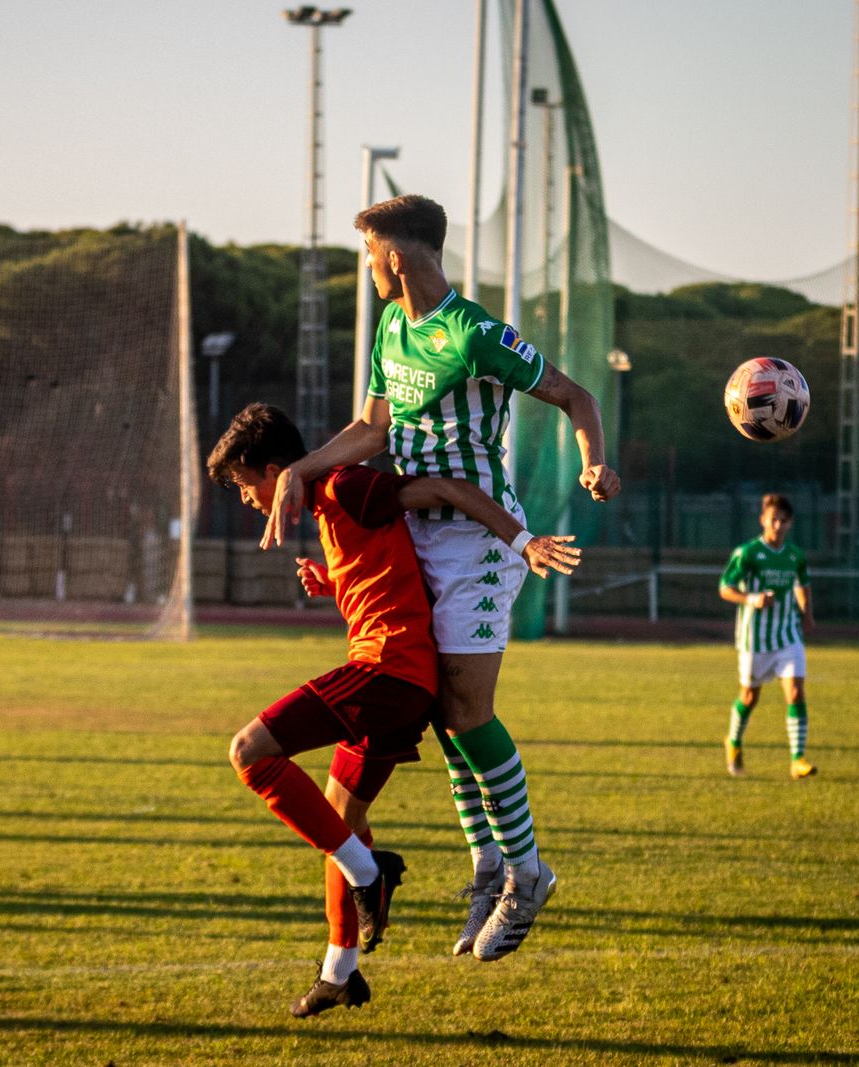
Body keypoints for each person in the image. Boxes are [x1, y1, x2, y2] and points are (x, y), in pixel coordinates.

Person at [263, 193, 620, 961]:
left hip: (480, 538)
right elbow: (373, 427)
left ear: (396, 254)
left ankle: (527, 873)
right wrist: (300, 470)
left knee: (465, 706)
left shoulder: (475, 332)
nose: (367, 271)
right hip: (418, 534)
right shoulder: (392, 326)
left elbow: (574, 394)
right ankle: (488, 868)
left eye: (369, 256)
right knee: (434, 707)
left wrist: (595, 461)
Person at [213, 403, 578, 1017]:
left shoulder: (344, 483)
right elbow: (394, 569)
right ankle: (340, 972)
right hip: (399, 684)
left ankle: (369, 873)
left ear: (276, 471)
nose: (248, 500)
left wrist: (520, 538)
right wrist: (333, 583)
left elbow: (441, 488)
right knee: (340, 816)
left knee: (249, 752)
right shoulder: (333, 504)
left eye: (246, 486)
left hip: (386, 673)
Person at [718, 493, 816, 779]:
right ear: (762, 520)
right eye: (773, 519)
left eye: (783, 520)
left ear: (790, 523)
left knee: (796, 691)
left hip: (788, 634)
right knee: (749, 696)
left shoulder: (795, 555)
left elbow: (803, 583)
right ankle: (733, 741)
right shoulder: (747, 553)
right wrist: (752, 599)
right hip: (755, 639)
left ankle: (798, 760)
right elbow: (725, 588)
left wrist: (807, 612)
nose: (778, 525)